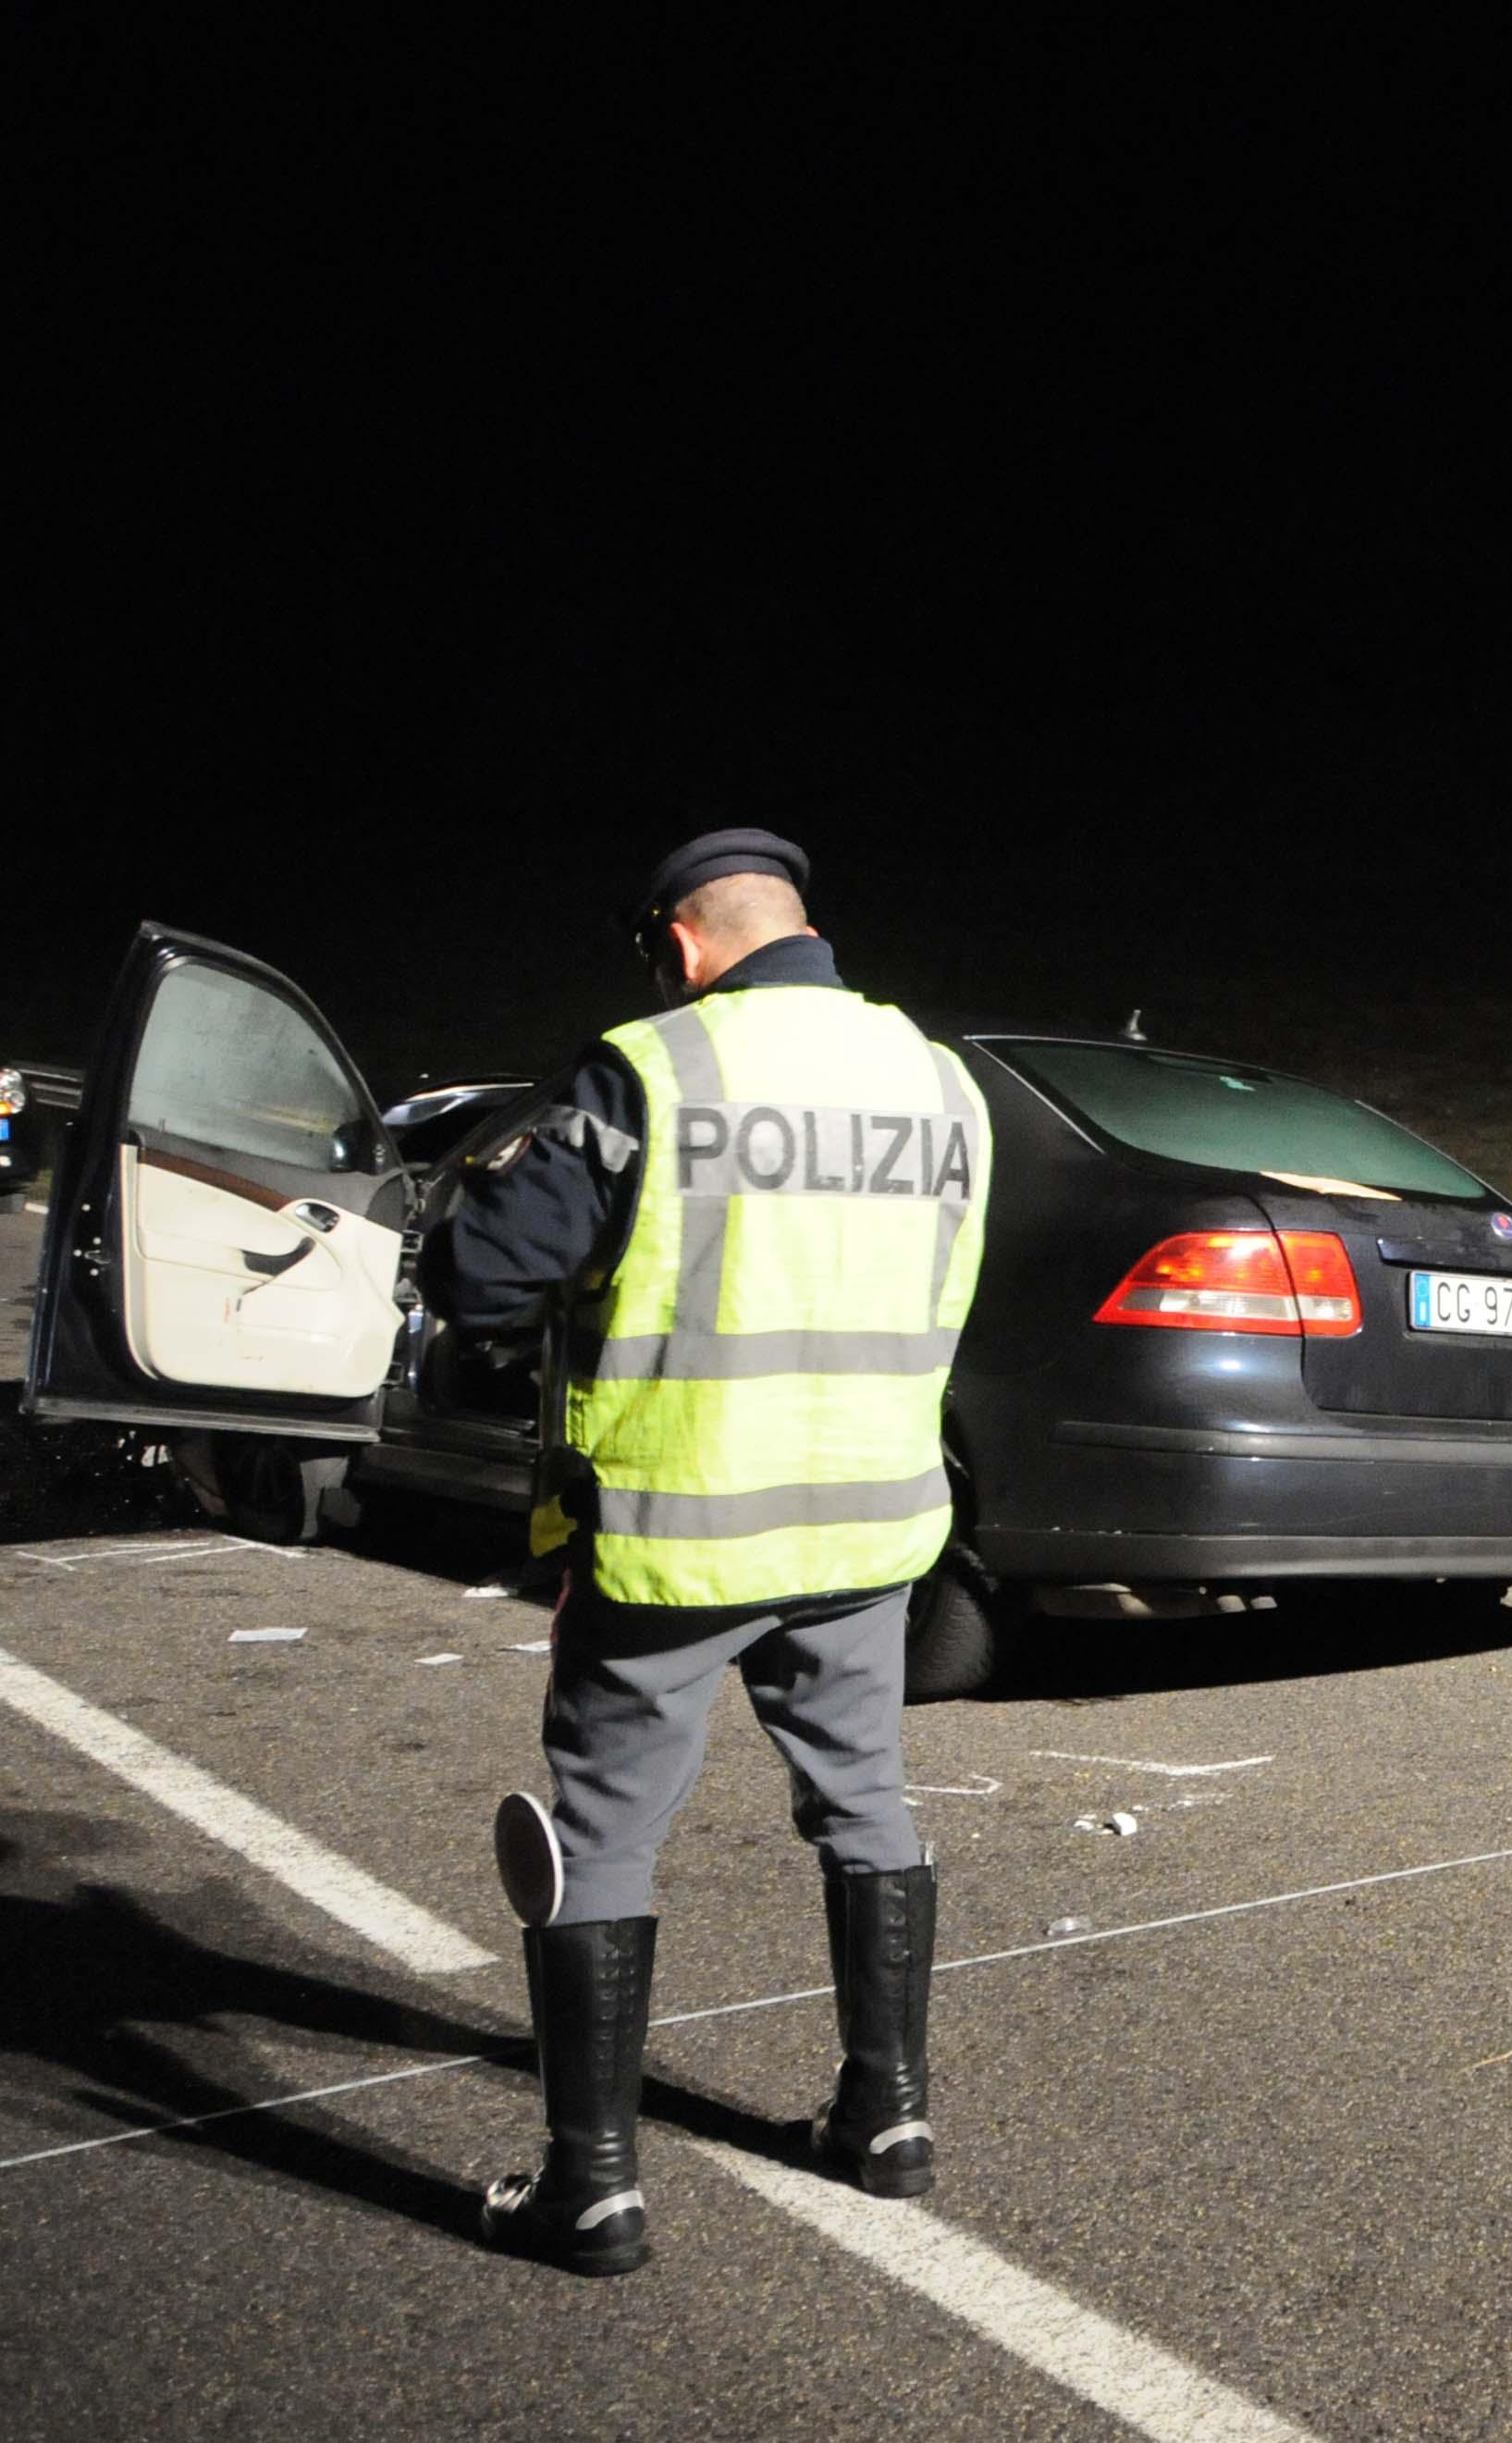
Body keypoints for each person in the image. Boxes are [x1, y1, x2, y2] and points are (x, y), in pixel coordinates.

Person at [422, 828, 991, 2275]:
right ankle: (888, 2122)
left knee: (605, 1835)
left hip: (680, 1530)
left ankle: (592, 2190)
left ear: (682, 942)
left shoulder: (655, 1067)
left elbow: (484, 1273)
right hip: (870, 1523)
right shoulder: (940, 1079)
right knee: (865, 1800)